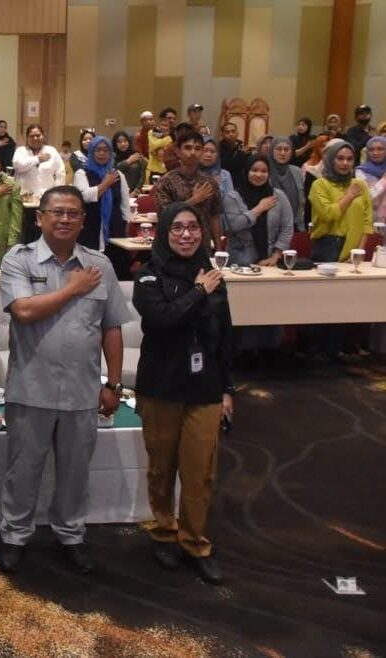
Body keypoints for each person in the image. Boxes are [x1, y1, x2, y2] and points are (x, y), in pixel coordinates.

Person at [0, 186, 130, 575]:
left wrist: (114, 383)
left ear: (83, 221)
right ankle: (14, 536)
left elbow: (112, 327)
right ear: (39, 217)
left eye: (73, 213)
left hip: (81, 391)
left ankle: (71, 535)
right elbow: (23, 310)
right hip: (30, 388)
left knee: (75, 473)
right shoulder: (19, 259)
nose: (65, 219)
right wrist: (73, 288)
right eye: (57, 212)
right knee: (22, 471)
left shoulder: (99, 265)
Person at [132, 202, 234, 585]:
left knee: (200, 471)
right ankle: (163, 532)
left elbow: (225, 335)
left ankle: (194, 542)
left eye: (193, 227)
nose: (186, 234)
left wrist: (228, 388)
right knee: (162, 467)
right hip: (161, 385)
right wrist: (198, 291)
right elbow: (162, 319)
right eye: (177, 227)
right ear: (164, 232)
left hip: (205, 386)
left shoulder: (213, 275)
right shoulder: (148, 275)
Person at [152, 131, 224, 247]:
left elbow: (215, 216)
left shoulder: (209, 183)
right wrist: (193, 200)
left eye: (198, 148)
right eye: (188, 148)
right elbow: (165, 215)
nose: (193, 153)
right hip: (173, 245)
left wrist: (218, 248)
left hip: (202, 246)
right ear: (178, 151)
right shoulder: (166, 181)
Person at [309, 140, 373, 262]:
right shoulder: (319, 185)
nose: (345, 163)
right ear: (331, 159)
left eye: (350, 159)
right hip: (327, 246)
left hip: (354, 246)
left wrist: (360, 250)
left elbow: (367, 221)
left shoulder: (360, 185)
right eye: (340, 158)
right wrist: (349, 196)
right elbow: (327, 215)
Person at [73, 136, 132, 269]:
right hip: (90, 227)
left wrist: (126, 225)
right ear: (91, 152)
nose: (102, 153)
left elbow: (124, 204)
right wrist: (105, 184)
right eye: (98, 150)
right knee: (90, 268)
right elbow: (84, 197)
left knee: (115, 266)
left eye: (106, 150)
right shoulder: (82, 173)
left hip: (114, 228)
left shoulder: (118, 175)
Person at [224, 157, 294, 267]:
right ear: (246, 171)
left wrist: (276, 256)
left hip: (270, 261)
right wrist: (259, 209)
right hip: (240, 262)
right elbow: (235, 225)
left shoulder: (278, 196)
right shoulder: (232, 197)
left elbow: (287, 227)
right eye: (254, 170)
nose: (259, 175)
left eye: (264, 171)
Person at [12, 124, 66, 200]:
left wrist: (56, 193)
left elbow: (60, 173)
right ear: (27, 138)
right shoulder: (21, 151)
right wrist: (37, 159)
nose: (35, 138)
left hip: (47, 197)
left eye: (38, 135)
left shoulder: (51, 151)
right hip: (25, 197)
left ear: (43, 136)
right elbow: (18, 166)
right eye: (31, 136)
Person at [268, 137, 306, 231]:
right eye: (278, 149)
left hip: (294, 225)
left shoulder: (297, 171)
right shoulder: (265, 170)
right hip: (269, 226)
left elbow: (301, 201)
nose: (282, 153)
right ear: (271, 151)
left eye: (286, 149)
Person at [355, 135, 386, 224]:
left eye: (380, 149)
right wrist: (384, 180)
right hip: (372, 220)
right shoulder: (361, 171)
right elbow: (368, 197)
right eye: (371, 150)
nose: (375, 153)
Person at [146, 111, 175, 180]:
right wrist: (168, 138)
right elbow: (153, 145)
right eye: (162, 125)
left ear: (169, 128)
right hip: (153, 169)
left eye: (166, 126)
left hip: (166, 170)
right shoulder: (152, 132)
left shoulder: (173, 137)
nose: (163, 127)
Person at [218, 121, 247, 188]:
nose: (231, 134)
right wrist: (241, 154)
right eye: (227, 132)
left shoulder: (242, 146)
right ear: (222, 135)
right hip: (223, 183)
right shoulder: (218, 149)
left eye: (233, 131)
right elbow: (226, 165)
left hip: (239, 183)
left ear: (237, 133)